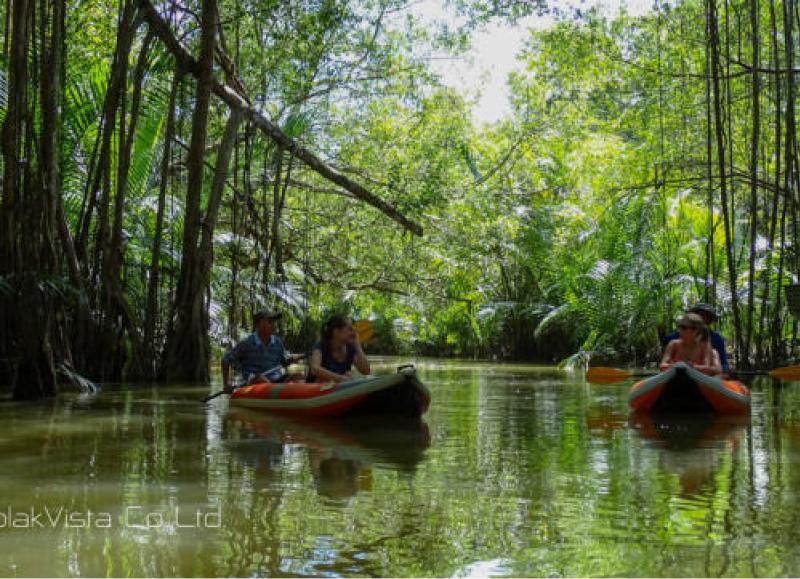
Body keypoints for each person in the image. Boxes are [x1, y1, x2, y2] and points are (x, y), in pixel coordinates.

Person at [221, 310, 302, 391]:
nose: (274, 325)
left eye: (274, 322)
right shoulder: (247, 343)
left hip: (276, 380)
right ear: (259, 324)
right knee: (260, 378)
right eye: (270, 322)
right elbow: (225, 360)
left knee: (298, 375)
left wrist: (291, 360)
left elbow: (285, 361)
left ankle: (281, 391)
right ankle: (274, 390)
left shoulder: (277, 343)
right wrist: (226, 385)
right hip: (255, 382)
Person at [658, 303, 730, 372]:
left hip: (704, 374)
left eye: (705, 315)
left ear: (710, 319)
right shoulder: (679, 334)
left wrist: (717, 370)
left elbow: (723, 363)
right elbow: (666, 342)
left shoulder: (716, 338)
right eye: (698, 314)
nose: (701, 317)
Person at [307, 314, 370, 383]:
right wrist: (341, 378)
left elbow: (366, 371)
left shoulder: (350, 348)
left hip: (339, 386)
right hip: (316, 386)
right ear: (336, 331)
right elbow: (315, 369)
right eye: (349, 329)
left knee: (349, 375)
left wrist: (357, 344)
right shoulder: (321, 345)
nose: (353, 332)